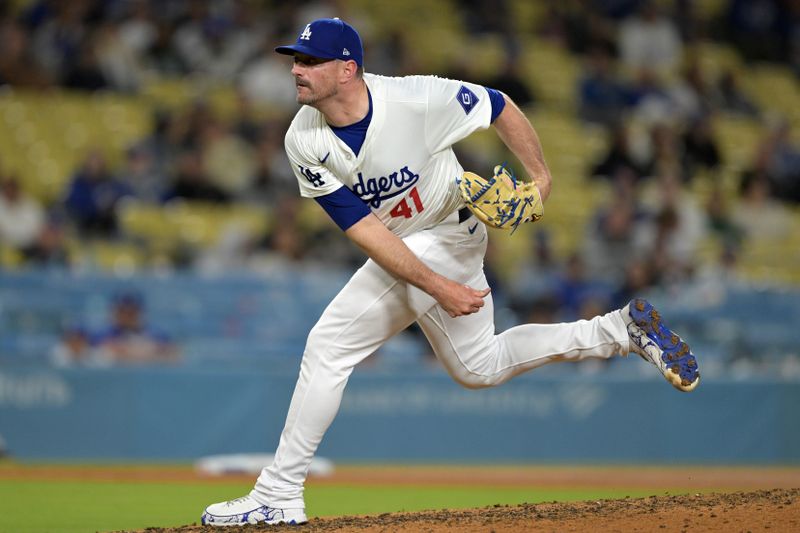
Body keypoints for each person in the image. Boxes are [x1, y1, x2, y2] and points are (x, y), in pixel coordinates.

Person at [201, 18, 701, 527]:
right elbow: (364, 230)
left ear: (347, 69)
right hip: (413, 247)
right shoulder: (302, 138)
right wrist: (438, 286)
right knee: (477, 366)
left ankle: (279, 493)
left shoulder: (415, 101)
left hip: (449, 230)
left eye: (311, 61)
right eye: (296, 59)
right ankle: (620, 329)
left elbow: (498, 105)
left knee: (329, 346)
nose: (296, 69)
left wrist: (541, 179)